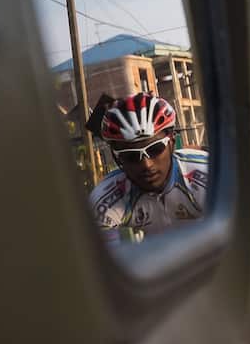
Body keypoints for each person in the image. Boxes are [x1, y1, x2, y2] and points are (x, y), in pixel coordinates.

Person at [88, 92, 209, 241]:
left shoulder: (208, 174)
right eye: (131, 156)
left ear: (171, 142)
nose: (146, 164)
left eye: (155, 149)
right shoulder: (104, 199)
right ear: (118, 158)